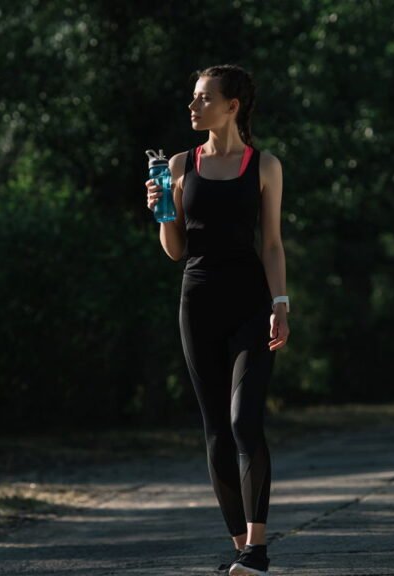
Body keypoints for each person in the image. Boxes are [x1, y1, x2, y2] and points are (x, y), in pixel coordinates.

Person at [144, 64, 290, 576]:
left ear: (233, 106)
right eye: (193, 97)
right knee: (215, 431)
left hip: (251, 300)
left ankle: (259, 546)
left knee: (244, 420)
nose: (193, 106)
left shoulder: (264, 165)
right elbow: (175, 250)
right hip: (198, 300)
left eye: (204, 98)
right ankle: (241, 549)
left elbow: (271, 245)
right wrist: (163, 210)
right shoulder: (181, 164)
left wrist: (281, 304)